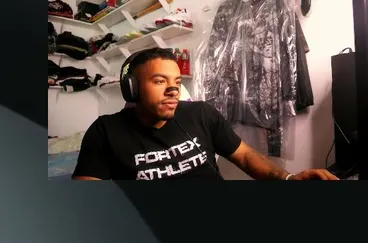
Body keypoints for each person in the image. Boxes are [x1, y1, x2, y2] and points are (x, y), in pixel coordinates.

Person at [72, 47, 339, 180]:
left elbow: (245, 156)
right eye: (160, 81)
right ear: (131, 88)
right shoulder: (104, 132)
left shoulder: (201, 113)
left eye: (177, 82)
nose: (173, 90)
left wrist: (289, 178)